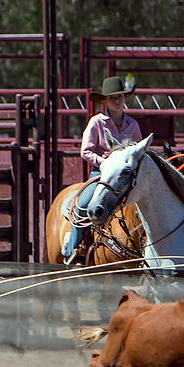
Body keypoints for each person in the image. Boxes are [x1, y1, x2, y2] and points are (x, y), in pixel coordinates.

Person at [63, 75, 142, 264]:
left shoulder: (133, 124)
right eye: (113, 97)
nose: (117, 101)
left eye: (120, 97)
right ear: (105, 100)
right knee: (83, 204)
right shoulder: (96, 122)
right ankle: (74, 251)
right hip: (101, 175)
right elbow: (85, 151)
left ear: (124, 99)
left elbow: (139, 150)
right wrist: (104, 163)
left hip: (125, 177)